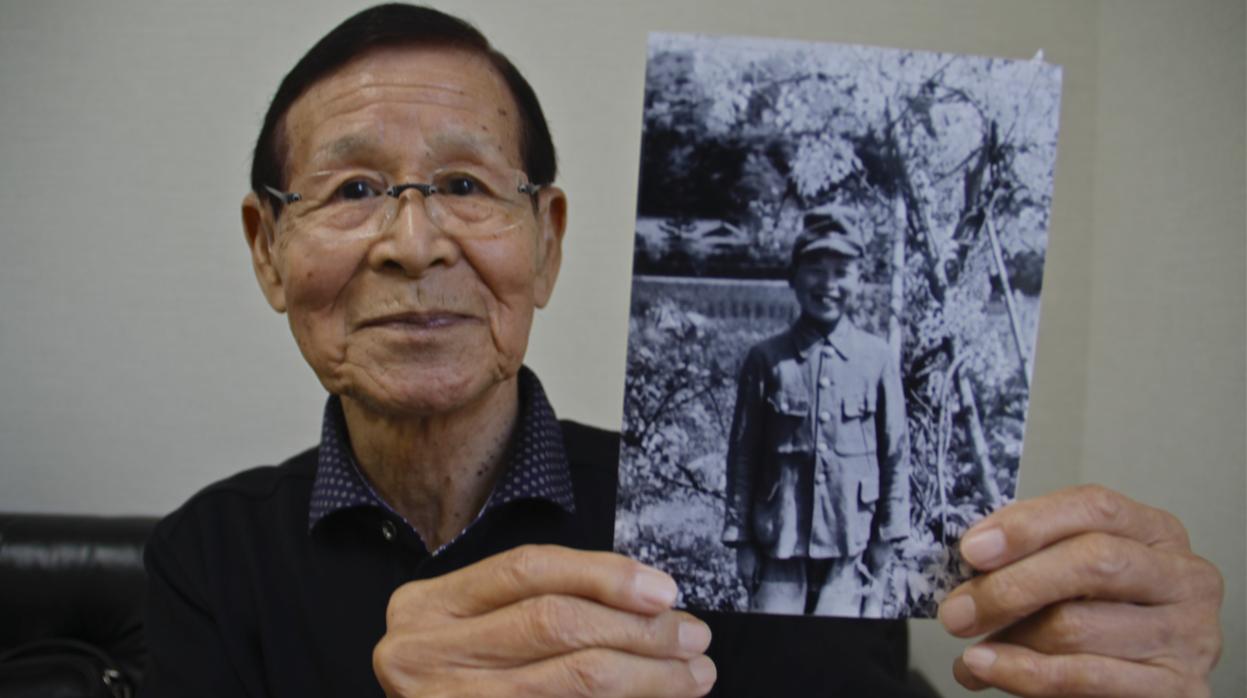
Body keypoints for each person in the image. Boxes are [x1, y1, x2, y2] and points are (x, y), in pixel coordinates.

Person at [140, 4, 1224, 697]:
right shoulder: (207, 559)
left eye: (465, 186)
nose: (412, 242)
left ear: (545, 239)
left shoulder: (700, 523)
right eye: (354, 189)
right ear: (268, 248)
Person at [723, 206, 908, 617]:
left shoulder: (876, 359)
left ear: (859, 280)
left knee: (839, 659)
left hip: (851, 540)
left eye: (842, 271)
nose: (828, 284)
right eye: (815, 270)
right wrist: (742, 541)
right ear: (793, 277)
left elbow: (894, 453)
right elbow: (743, 456)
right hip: (779, 539)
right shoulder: (766, 360)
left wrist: (887, 536)